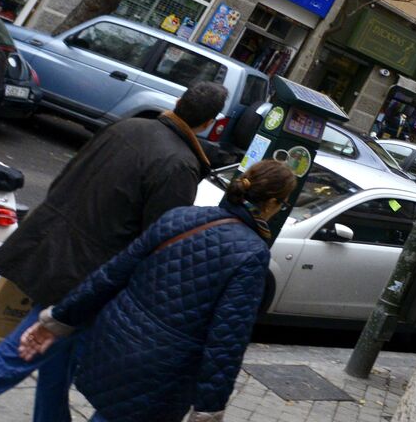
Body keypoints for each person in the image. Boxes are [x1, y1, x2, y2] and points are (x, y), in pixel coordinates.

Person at [0, 82, 229, 422]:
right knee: (9, 362)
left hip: (50, 250)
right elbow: (157, 242)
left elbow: (67, 177)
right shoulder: (179, 164)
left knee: (55, 362)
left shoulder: (128, 126)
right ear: (210, 124)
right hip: (83, 280)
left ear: (179, 102)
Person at [19, 160, 296, 422]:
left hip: (114, 340)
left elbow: (113, 273)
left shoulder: (181, 217)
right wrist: (209, 407)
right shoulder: (252, 254)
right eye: (282, 203)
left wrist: (59, 318)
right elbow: (227, 340)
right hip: (162, 372)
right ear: (271, 203)